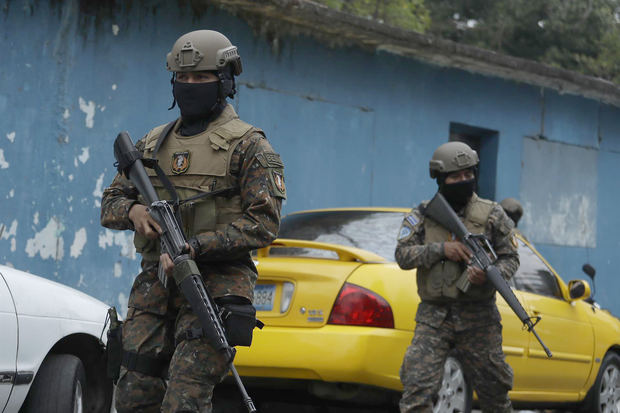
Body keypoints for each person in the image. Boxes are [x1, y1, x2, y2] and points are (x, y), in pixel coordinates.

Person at [101, 30, 286, 413]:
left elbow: (263, 223)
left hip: (214, 288)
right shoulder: (151, 144)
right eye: (182, 78)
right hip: (155, 286)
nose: (190, 86)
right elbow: (111, 201)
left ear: (225, 81)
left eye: (201, 78)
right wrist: (135, 213)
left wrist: (195, 247)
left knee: (185, 399)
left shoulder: (249, 145)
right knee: (133, 394)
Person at [395, 141, 519, 413]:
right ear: (441, 179)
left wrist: (488, 275)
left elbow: (511, 257)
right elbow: (402, 255)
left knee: (495, 395)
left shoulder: (493, 213)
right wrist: (441, 250)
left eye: (468, 175)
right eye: (455, 177)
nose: (464, 181)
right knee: (416, 390)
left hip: (479, 318)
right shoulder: (424, 214)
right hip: (433, 317)